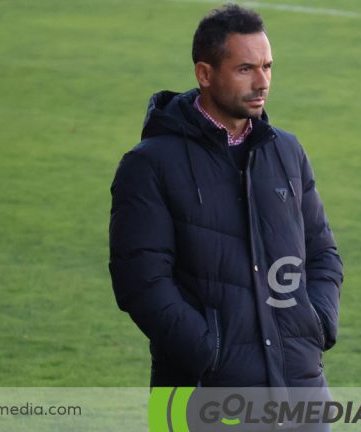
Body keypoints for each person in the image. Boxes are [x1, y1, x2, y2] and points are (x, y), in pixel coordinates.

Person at [108, 3, 343, 391]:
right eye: (245, 69)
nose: (262, 82)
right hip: (204, 390)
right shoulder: (149, 164)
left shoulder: (287, 151)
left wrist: (315, 325)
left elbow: (322, 255)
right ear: (205, 73)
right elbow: (142, 281)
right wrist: (208, 354)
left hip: (300, 386)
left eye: (267, 66)